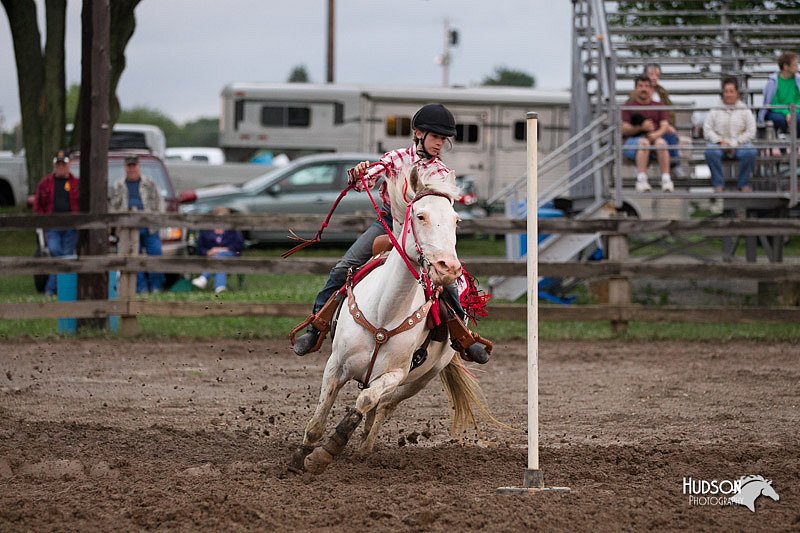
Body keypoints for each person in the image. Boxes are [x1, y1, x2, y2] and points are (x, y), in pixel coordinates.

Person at [291, 103, 491, 364]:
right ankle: (316, 325)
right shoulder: (395, 158)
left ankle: (463, 336)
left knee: (449, 280)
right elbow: (366, 180)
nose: (440, 143)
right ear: (418, 133)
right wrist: (358, 174)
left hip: (424, 231)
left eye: (444, 139)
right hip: (390, 223)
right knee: (344, 267)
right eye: (435, 137)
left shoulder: (442, 172)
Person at [109, 154, 166, 293]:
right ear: (125, 168)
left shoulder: (150, 183)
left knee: (155, 253)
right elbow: (111, 208)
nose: (132, 169)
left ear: (138, 167)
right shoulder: (117, 186)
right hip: (127, 228)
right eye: (129, 166)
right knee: (133, 257)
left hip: (149, 226)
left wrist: (156, 220)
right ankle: (141, 288)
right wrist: (118, 224)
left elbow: (160, 204)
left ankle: (156, 286)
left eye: (134, 166)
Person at [33, 150, 80, 296]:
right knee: (55, 251)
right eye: (58, 163)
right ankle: (57, 288)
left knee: (66, 254)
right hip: (52, 227)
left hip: (71, 227)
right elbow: (37, 207)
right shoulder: (45, 183)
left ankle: (51, 289)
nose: (60, 166)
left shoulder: (76, 183)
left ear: (68, 164)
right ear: (54, 164)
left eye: (63, 163)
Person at [622, 75, 677, 193]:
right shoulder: (628, 106)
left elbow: (664, 125)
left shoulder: (659, 105)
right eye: (641, 86)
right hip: (633, 143)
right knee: (644, 142)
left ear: (652, 89)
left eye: (647, 86)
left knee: (662, 143)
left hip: (655, 140)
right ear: (636, 88)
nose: (644, 89)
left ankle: (666, 179)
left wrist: (656, 134)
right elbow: (624, 129)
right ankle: (641, 180)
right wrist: (641, 127)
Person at [703, 76, 758, 193]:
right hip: (719, 144)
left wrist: (735, 143)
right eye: (726, 91)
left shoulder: (745, 110)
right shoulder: (714, 110)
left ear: (737, 93)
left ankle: (743, 184)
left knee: (750, 151)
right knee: (710, 151)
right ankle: (718, 184)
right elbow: (707, 130)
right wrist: (719, 141)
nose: (728, 94)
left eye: (731, 91)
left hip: (740, 144)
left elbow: (751, 131)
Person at [192, 207, 244, 294]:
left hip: (230, 256)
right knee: (219, 259)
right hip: (210, 257)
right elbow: (200, 247)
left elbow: (238, 245)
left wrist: (220, 249)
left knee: (220, 256)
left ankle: (204, 278)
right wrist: (208, 252)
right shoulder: (206, 231)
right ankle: (220, 287)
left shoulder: (232, 230)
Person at [758, 51, 800, 139]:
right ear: (785, 66)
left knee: (798, 119)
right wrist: (787, 113)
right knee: (780, 120)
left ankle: (796, 145)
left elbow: (798, 99)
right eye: (795, 65)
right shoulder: (773, 81)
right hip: (777, 111)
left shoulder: (798, 80)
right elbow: (773, 103)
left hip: (795, 109)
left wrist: (792, 112)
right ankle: (782, 143)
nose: (797, 67)